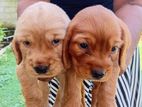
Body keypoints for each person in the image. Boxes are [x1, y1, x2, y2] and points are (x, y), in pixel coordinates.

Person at [17, 0, 142, 107]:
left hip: (114, 53)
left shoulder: (118, 46)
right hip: (58, 51)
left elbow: (132, 3)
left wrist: (118, 53)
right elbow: (31, 2)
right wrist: (33, 39)